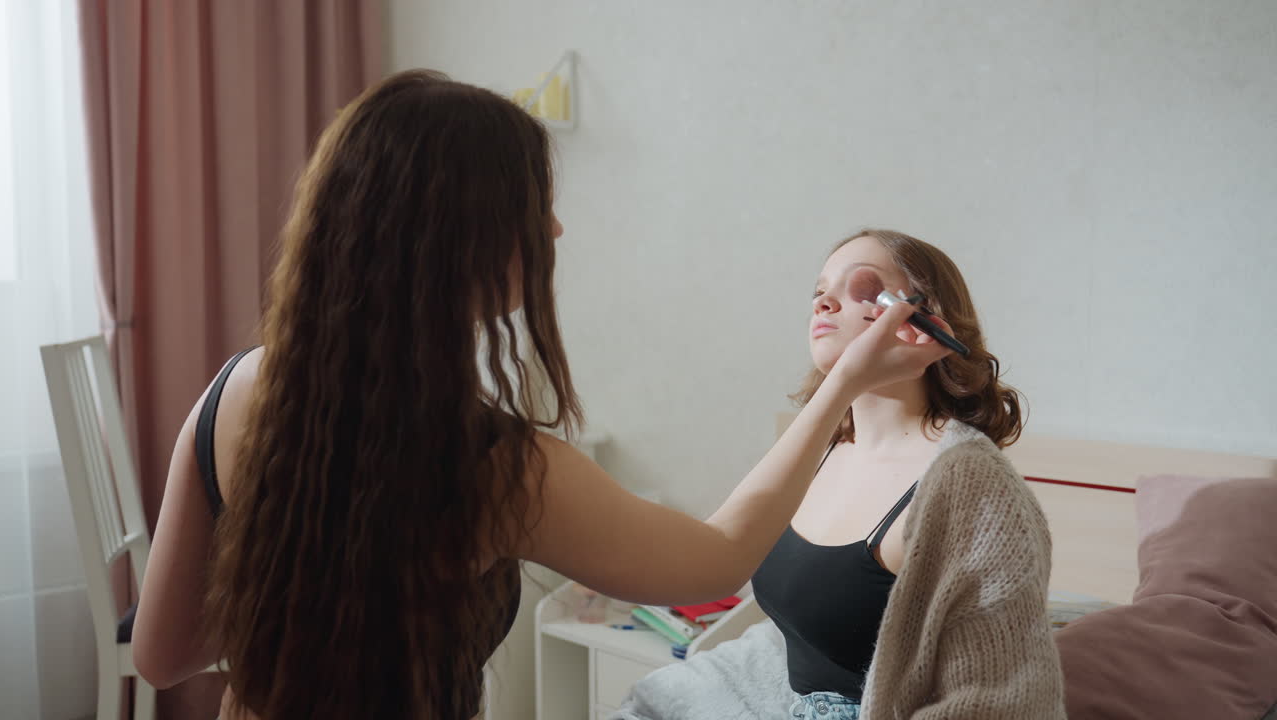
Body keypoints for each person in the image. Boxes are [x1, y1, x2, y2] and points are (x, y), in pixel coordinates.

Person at [129, 72, 951, 720]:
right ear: (463, 241)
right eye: (536, 209)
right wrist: (840, 385)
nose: (554, 231)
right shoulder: (499, 470)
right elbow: (718, 555)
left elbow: (161, 657)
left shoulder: (232, 391)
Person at [752, 229, 1066, 719]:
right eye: (820, 291)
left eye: (861, 287)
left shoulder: (972, 486)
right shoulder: (817, 449)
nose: (823, 303)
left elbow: (1000, 701)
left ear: (922, 319)